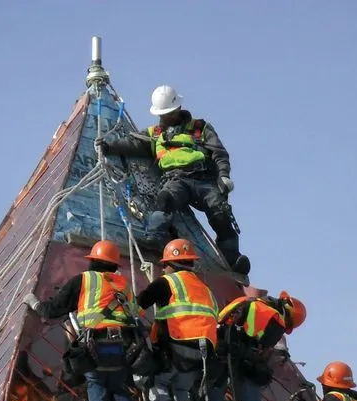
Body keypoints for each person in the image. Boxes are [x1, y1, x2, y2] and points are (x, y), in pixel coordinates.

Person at [97, 85, 251, 276]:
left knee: (220, 213)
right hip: (176, 179)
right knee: (164, 200)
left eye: (169, 113)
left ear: (178, 109)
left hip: (203, 180)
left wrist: (223, 176)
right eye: (163, 114)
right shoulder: (155, 134)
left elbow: (219, 153)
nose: (165, 117)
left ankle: (232, 258)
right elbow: (134, 143)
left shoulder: (199, 128)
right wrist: (109, 147)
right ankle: (155, 237)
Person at [23, 240, 157, 401]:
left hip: (97, 346)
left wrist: (34, 303)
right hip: (124, 350)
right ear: (114, 265)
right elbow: (137, 314)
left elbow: (53, 310)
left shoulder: (83, 281)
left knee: (96, 384)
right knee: (118, 387)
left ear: (93, 261)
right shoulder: (123, 285)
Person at [136, 238, 219, 401]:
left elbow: (138, 305)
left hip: (174, 349)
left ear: (169, 264)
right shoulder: (206, 291)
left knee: (159, 384)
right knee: (182, 389)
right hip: (200, 355)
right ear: (190, 263)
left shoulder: (167, 283)